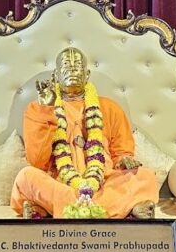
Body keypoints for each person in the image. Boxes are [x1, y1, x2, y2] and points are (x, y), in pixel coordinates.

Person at [11, 47, 158, 219]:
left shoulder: (110, 108)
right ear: (56, 75)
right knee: (26, 177)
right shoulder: (38, 109)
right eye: (67, 65)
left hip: (103, 185)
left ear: (87, 75)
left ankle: (58, 209)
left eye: (77, 65)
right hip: (61, 185)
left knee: (146, 176)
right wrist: (47, 109)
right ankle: (106, 210)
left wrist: (124, 161)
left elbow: (122, 153)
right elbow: (37, 161)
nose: (72, 69)